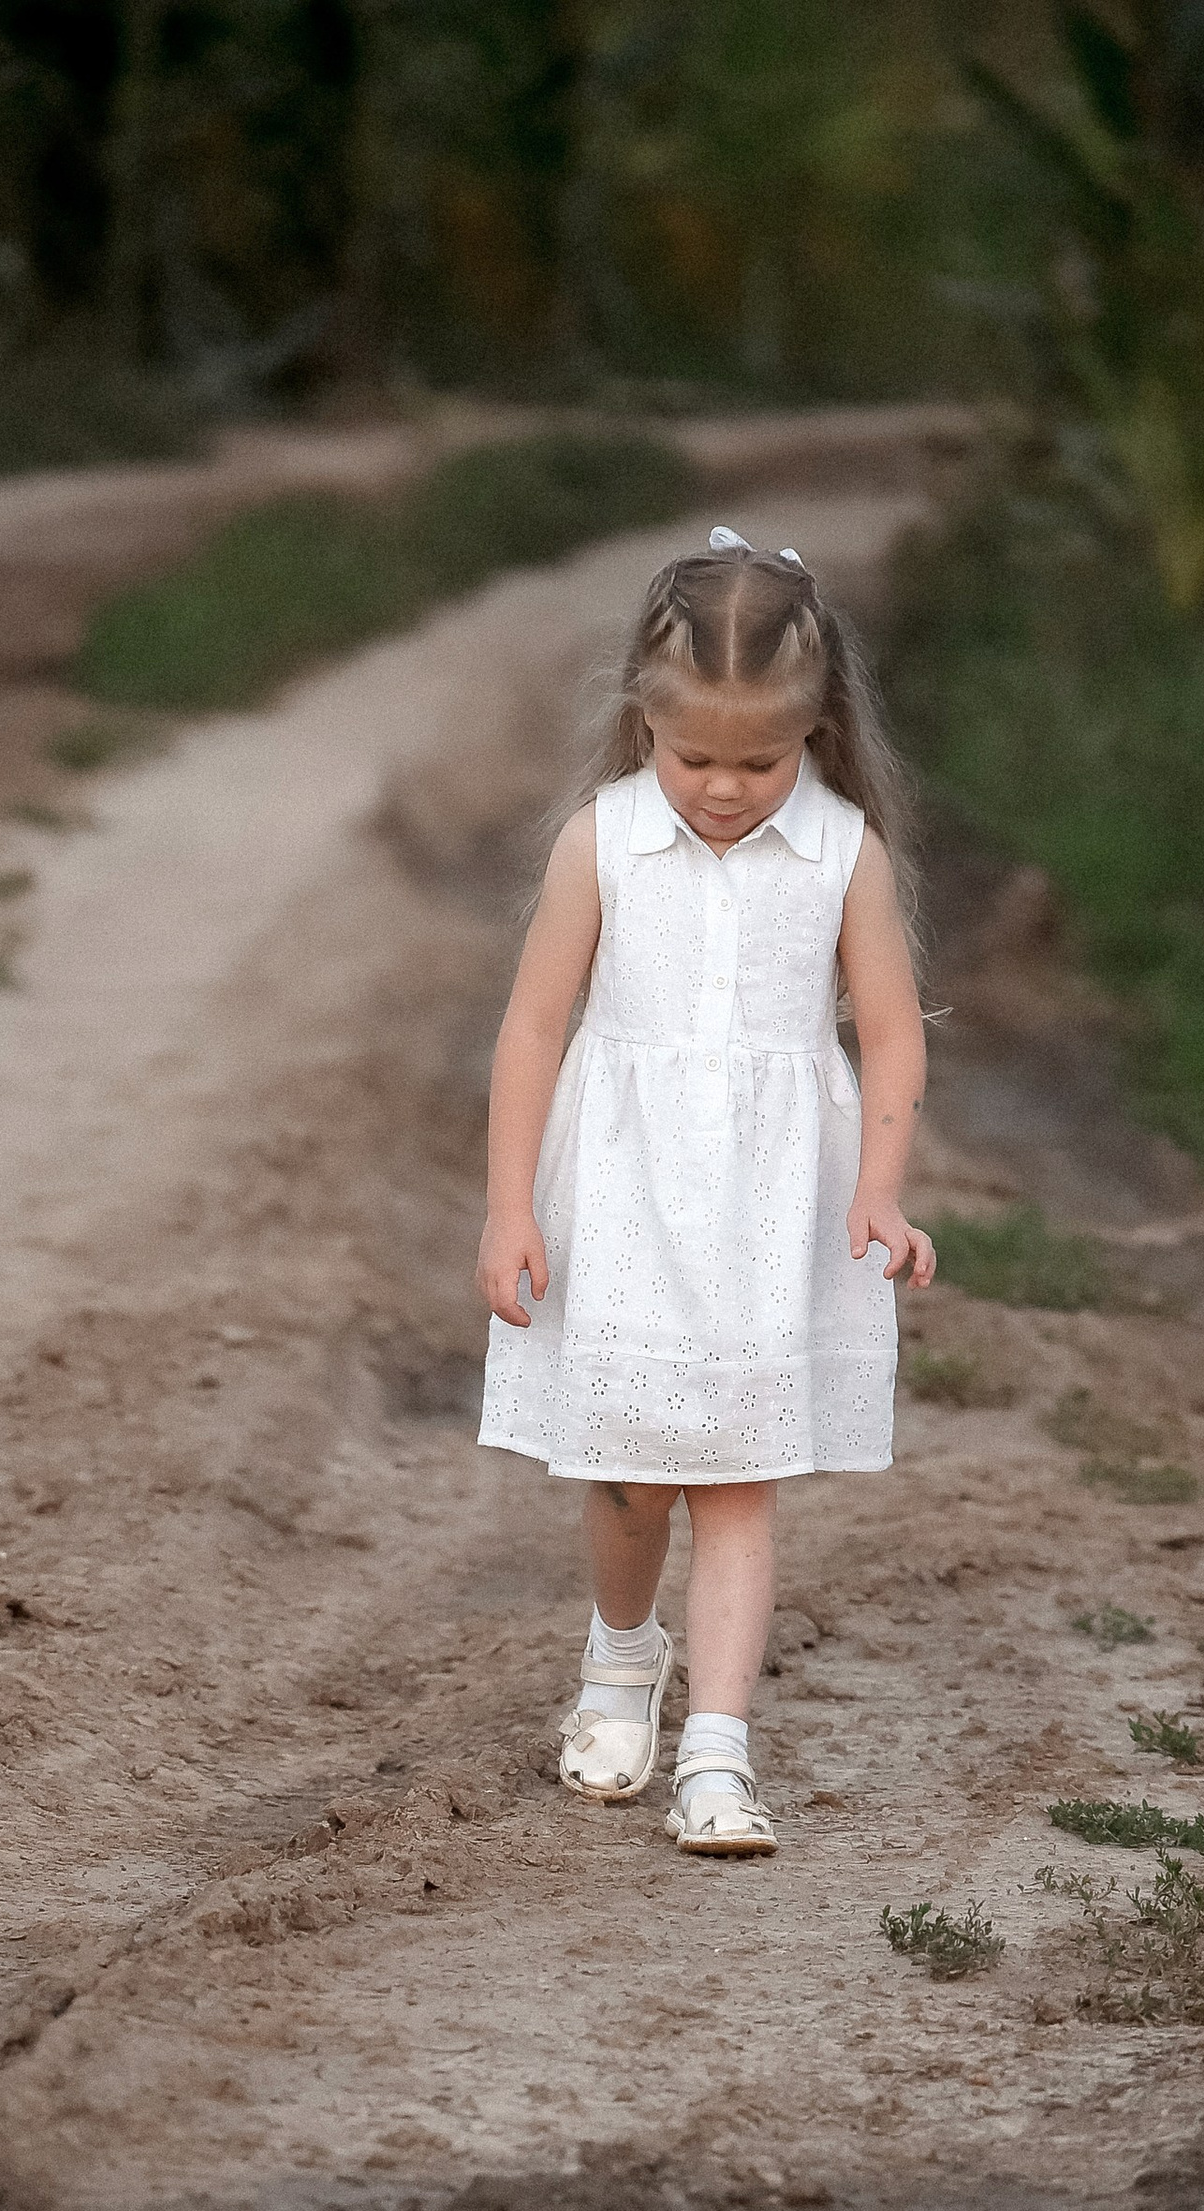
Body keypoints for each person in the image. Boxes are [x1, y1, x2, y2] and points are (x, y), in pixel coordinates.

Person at [476, 527, 937, 1857]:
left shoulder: (843, 854)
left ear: (814, 733)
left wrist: (883, 1190)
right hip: (623, 1199)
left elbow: (891, 1032)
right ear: (645, 719)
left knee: (741, 1479)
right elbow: (533, 1028)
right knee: (630, 1478)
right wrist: (509, 1207)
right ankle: (624, 1656)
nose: (726, 790)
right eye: (695, 760)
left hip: (768, 1213)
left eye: (760, 762)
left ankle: (719, 1755)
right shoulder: (602, 844)